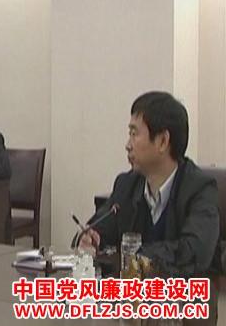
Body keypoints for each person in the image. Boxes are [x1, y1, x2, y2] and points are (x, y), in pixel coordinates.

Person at [79, 91, 219, 276]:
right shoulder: (126, 184)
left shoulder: (200, 189)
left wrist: (138, 256)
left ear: (163, 141)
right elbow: (101, 227)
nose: (128, 145)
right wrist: (90, 237)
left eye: (134, 134)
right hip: (133, 291)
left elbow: (194, 252)